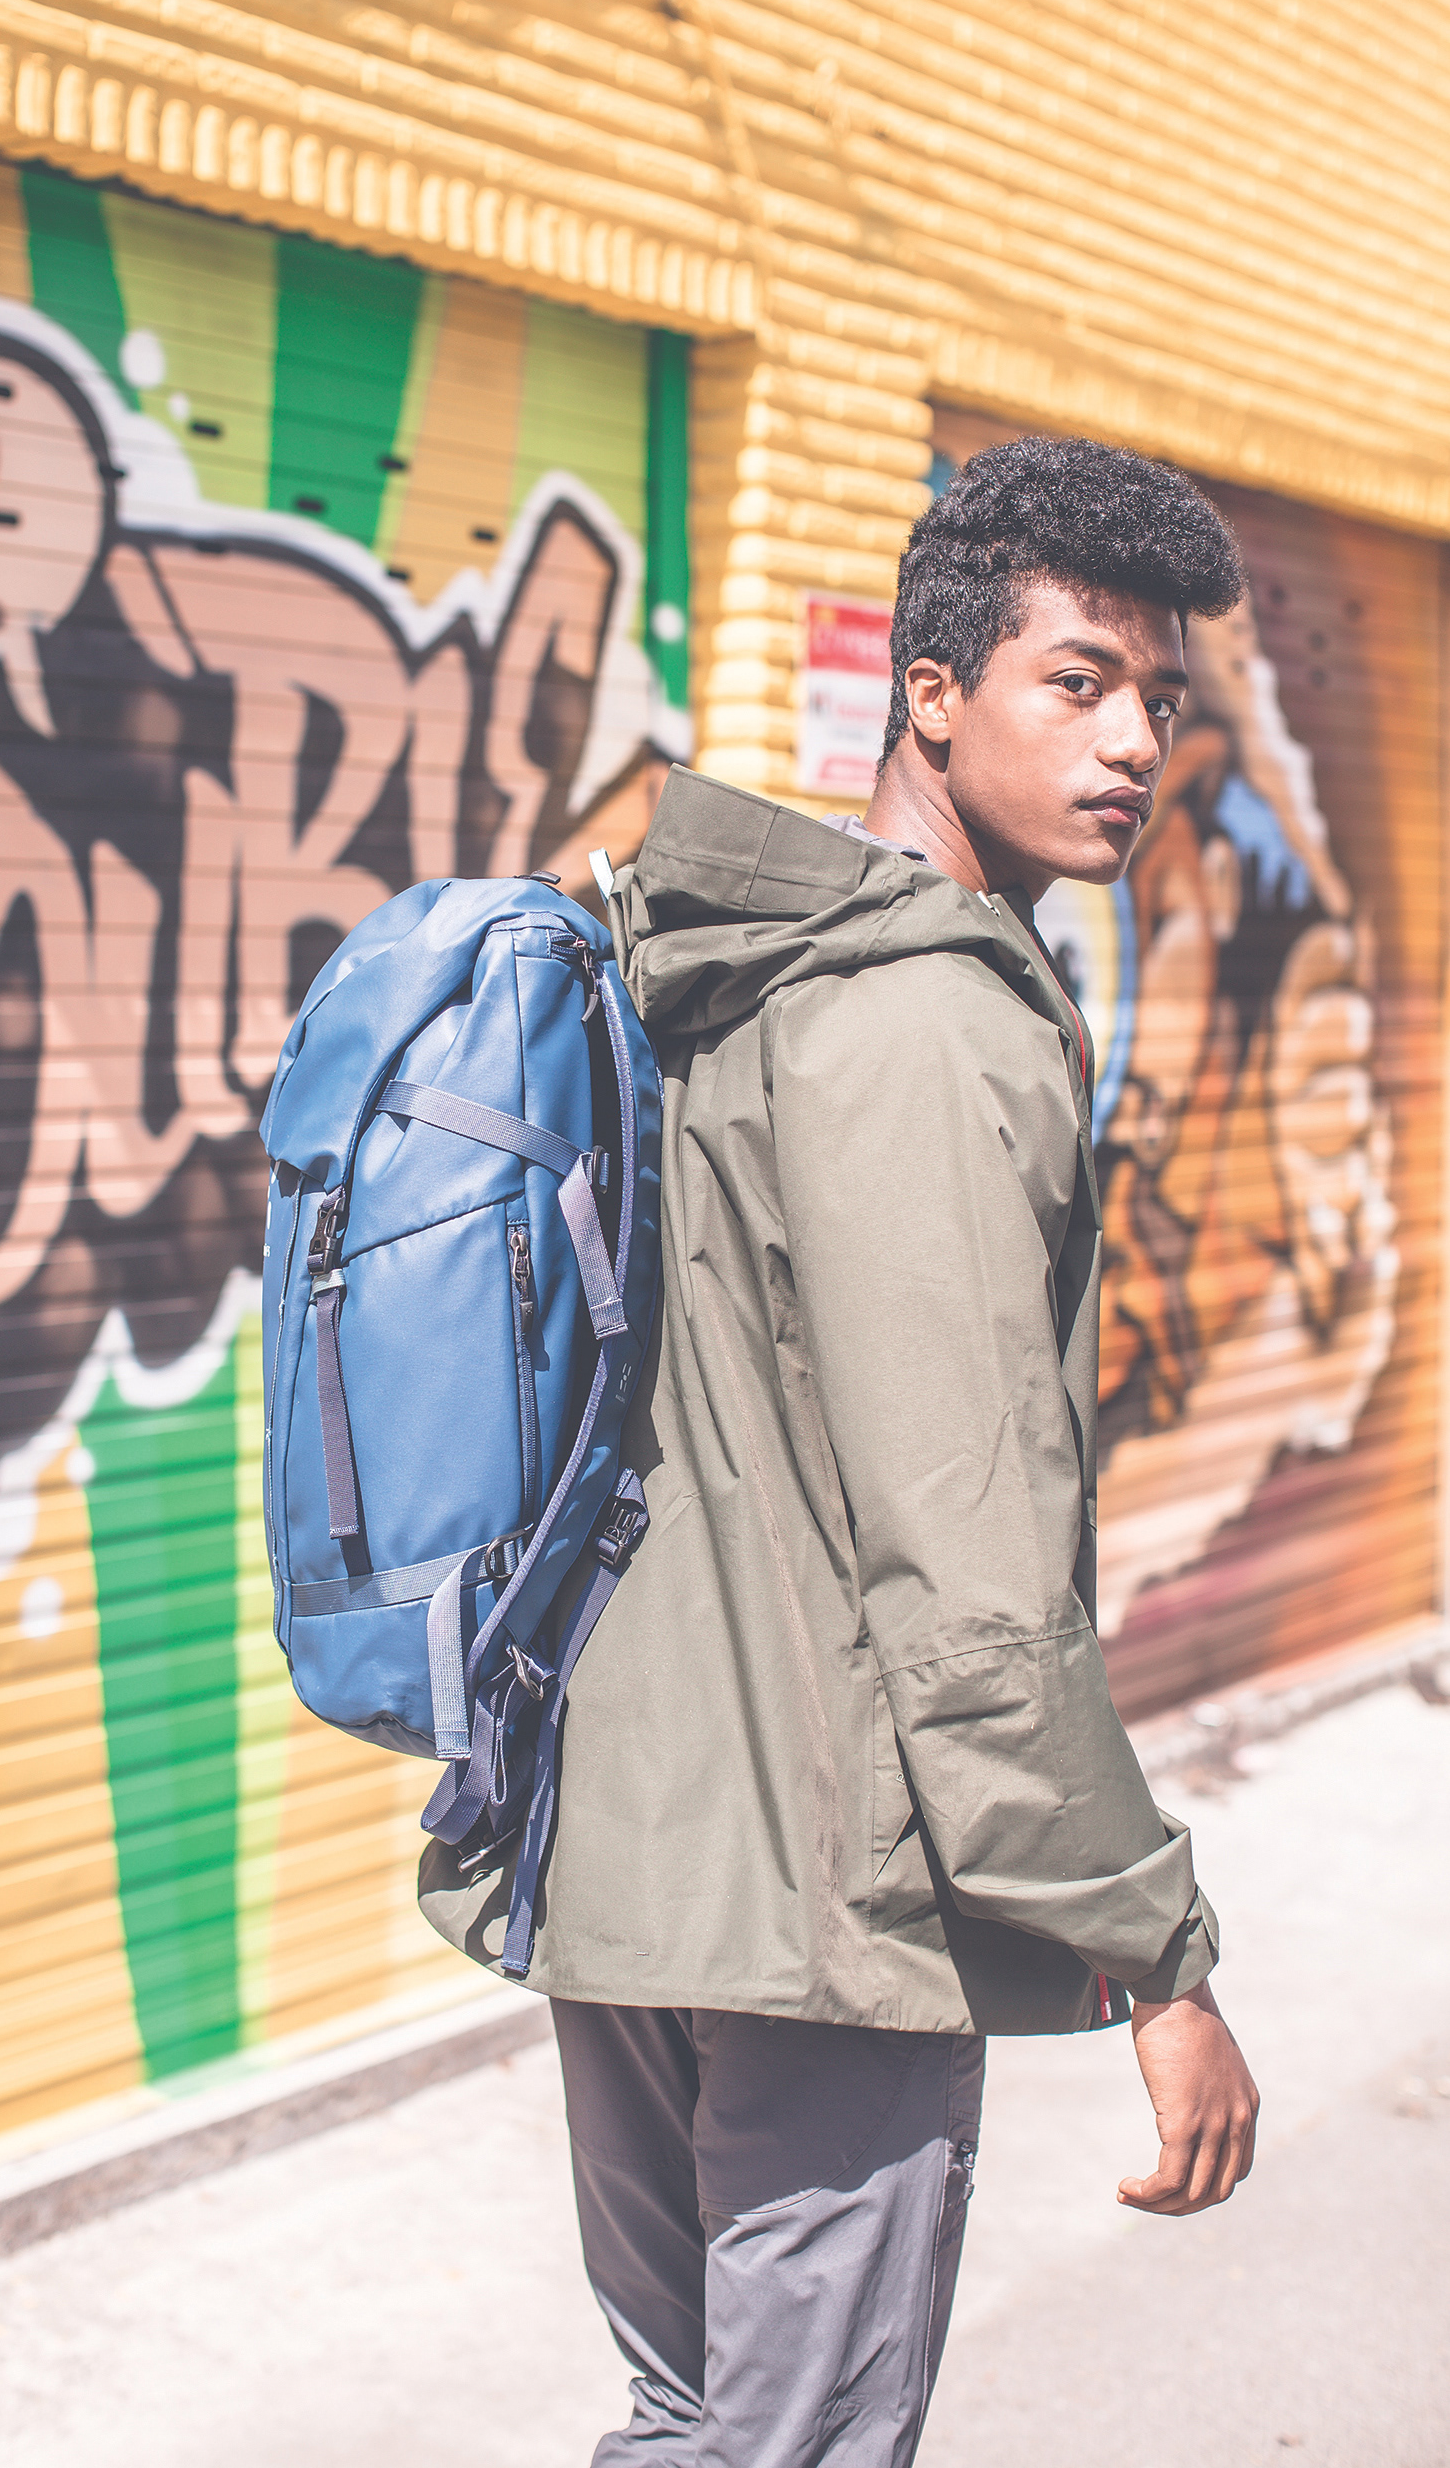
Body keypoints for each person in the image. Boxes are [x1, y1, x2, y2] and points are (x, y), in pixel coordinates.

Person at [420, 436, 1262, 2466]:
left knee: (690, 2417)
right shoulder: (930, 1026)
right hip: (818, 1895)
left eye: (1160, 699)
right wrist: (1155, 1953)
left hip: (631, 1844)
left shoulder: (726, 971)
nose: (1132, 741)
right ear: (932, 692)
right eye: (1078, 680)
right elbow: (967, 1582)